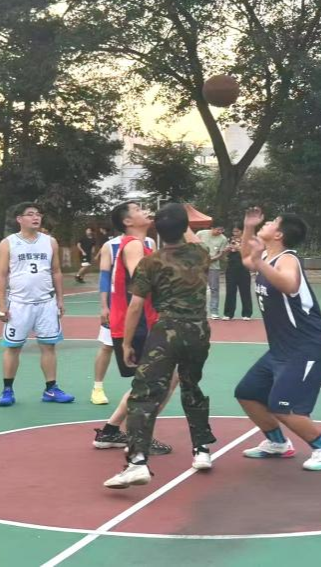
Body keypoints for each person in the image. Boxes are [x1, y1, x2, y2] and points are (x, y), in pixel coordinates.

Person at [104, 203, 216, 489]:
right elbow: (193, 239)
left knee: (144, 395)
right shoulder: (201, 253)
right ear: (185, 227)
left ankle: (137, 462)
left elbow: (135, 306)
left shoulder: (150, 262)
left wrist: (127, 343)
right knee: (192, 387)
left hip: (166, 331)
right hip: (198, 331)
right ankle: (201, 450)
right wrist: (184, 220)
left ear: (158, 230)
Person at [234, 207, 321, 472]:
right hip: (280, 349)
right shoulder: (267, 258)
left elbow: (290, 285)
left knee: (284, 408)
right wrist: (249, 227)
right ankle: (277, 443)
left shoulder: (288, 259)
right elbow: (247, 258)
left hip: (306, 347)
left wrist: (259, 261)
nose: (267, 222)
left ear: (279, 235)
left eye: (272, 222)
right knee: (247, 393)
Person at [92, 202, 173, 455]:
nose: (145, 210)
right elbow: (143, 281)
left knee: (152, 381)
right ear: (127, 221)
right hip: (138, 324)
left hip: (139, 322)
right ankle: (139, 435)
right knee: (160, 380)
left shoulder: (143, 244)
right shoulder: (134, 245)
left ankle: (111, 430)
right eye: (138, 209)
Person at [0, 202, 74, 407]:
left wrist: (60, 300)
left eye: (38, 214)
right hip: (19, 304)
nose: (36, 217)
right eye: (30, 214)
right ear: (19, 219)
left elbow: (56, 271)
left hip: (46, 303)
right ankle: (7, 390)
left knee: (48, 346)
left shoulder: (50, 242)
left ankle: (51, 389)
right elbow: (1, 275)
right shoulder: (8, 243)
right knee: (13, 347)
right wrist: (1, 305)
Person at [87, 229, 155, 406]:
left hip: (142, 306)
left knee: (147, 347)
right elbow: (105, 277)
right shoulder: (110, 245)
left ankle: (142, 389)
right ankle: (97, 388)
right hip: (118, 306)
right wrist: (104, 306)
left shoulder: (149, 242)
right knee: (107, 345)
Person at [196, 224, 228, 319]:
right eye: (218, 230)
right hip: (200, 266)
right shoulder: (201, 233)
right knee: (199, 288)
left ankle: (214, 311)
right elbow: (193, 246)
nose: (220, 232)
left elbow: (221, 254)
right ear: (212, 228)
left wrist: (211, 259)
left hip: (214, 266)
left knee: (214, 288)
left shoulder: (223, 239)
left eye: (221, 230)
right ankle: (199, 310)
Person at [222, 224, 253, 321]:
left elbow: (250, 254)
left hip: (244, 269)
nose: (235, 233)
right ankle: (228, 313)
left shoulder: (247, 241)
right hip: (231, 269)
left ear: (242, 231)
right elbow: (224, 255)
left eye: (237, 231)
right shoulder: (229, 240)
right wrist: (226, 250)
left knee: (245, 291)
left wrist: (239, 248)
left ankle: (247, 313)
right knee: (230, 291)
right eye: (233, 231)